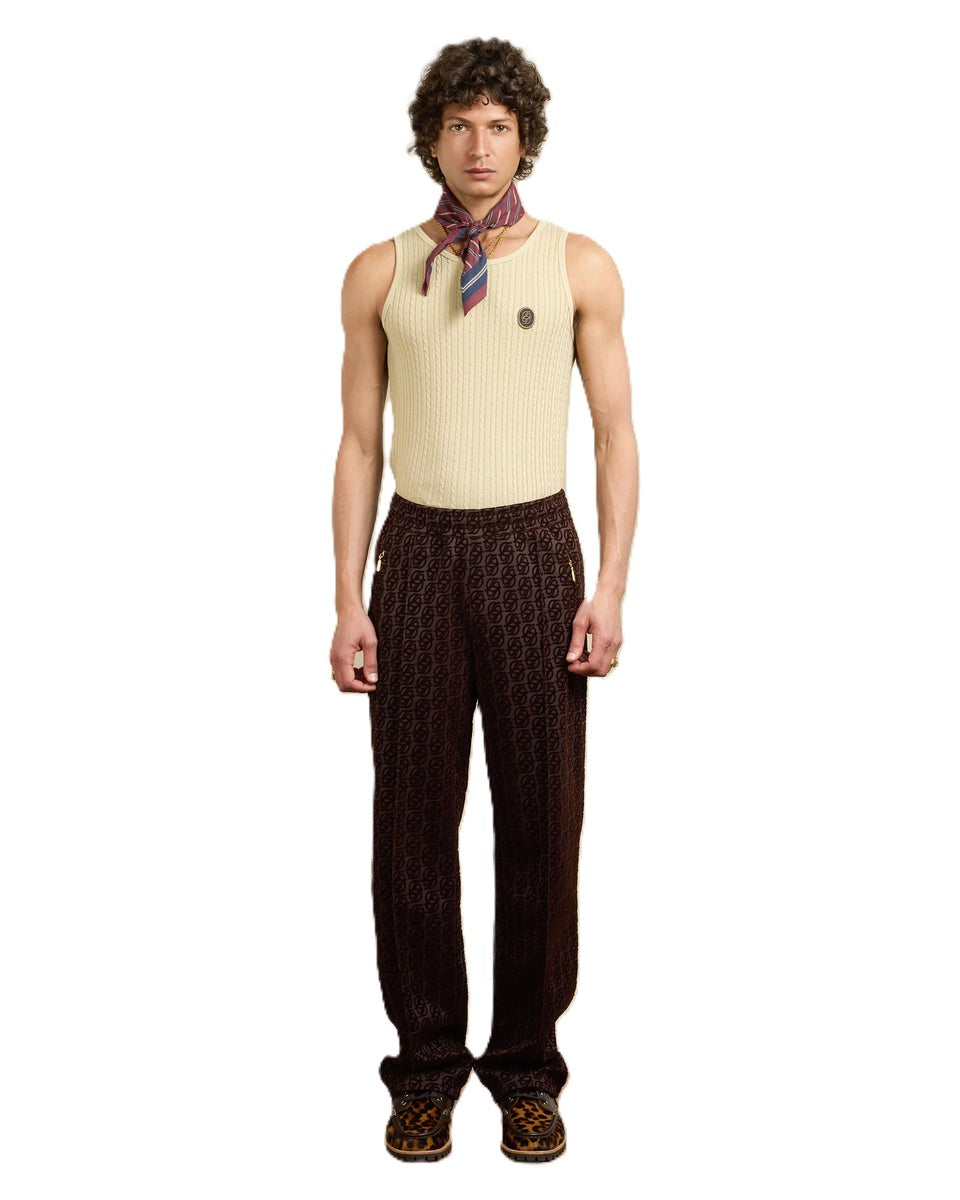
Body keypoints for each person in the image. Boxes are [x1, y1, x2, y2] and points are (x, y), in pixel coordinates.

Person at [330, 36, 638, 1162]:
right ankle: (423, 1071)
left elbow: (614, 435)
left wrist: (610, 586)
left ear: (524, 138)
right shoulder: (380, 271)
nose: (478, 145)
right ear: (431, 137)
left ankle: (525, 1070)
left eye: (497, 126)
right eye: (458, 124)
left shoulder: (577, 265)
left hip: (532, 551)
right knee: (410, 822)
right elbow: (359, 444)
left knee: (540, 821)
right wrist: (347, 598)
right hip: (416, 555)